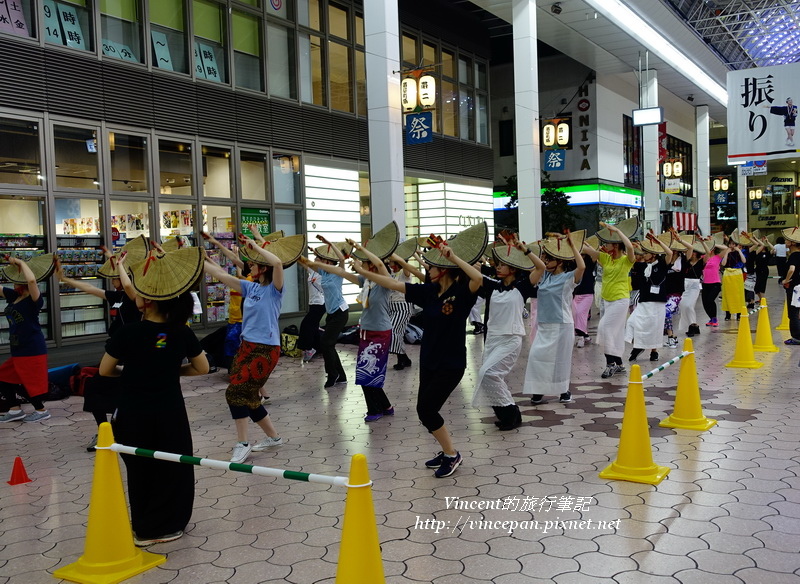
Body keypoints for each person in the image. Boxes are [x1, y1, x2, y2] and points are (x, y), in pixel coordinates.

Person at [98, 247, 209, 547]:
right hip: (169, 411)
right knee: (174, 466)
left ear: (145, 302)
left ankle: (144, 528)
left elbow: (105, 370)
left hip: (133, 412)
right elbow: (202, 368)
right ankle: (171, 523)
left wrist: (135, 372)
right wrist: (171, 370)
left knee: (140, 469)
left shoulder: (128, 334)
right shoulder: (180, 332)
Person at [356, 225, 485, 478]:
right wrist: (363, 271)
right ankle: (446, 450)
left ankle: (452, 454)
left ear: (444, 270)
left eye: (432, 267)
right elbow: (393, 283)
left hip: (451, 363)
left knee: (427, 410)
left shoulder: (461, 292)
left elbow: (478, 279)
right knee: (425, 411)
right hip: (429, 361)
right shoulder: (429, 292)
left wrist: (453, 257)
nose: (428, 269)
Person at [203, 234, 294, 464]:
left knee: (235, 392)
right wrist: (193, 259)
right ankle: (273, 437)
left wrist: (255, 246)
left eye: (252, 263)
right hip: (246, 347)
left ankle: (243, 444)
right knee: (250, 396)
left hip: (266, 349)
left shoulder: (275, 289)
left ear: (262, 268)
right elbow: (220, 275)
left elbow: (278, 263)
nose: (249, 266)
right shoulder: (250, 287)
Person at [57, 248, 141, 450]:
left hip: (130, 354)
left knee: (120, 393)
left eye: (115, 277)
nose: (112, 281)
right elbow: (89, 288)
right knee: (95, 388)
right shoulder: (116, 296)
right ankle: (105, 431)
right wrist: (65, 279)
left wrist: (119, 263)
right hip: (114, 352)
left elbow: (128, 284)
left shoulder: (135, 296)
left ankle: (117, 431)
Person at [472, 236, 540, 430]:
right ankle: (508, 415)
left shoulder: (522, 287)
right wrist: (453, 258)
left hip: (511, 339)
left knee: (489, 372)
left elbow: (541, 268)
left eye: (502, 265)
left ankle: (510, 413)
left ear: (513, 269)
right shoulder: (492, 286)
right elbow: (472, 271)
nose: (498, 267)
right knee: (489, 376)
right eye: (498, 264)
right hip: (493, 338)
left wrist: (525, 250)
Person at [524, 232, 585, 405]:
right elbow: (533, 268)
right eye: (544, 258)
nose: (544, 262)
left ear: (559, 261)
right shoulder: (543, 275)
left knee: (560, 360)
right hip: (543, 324)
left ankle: (564, 390)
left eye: (548, 259)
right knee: (537, 357)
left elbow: (581, 267)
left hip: (562, 325)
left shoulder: (568, 278)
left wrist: (572, 246)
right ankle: (538, 390)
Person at [0, 254, 54, 423]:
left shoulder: (34, 300)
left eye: (17, 278)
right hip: (18, 347)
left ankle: (41, 410)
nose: (14, 281)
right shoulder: (13, 296)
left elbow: (32, 282)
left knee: (28, 382)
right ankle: (15, 410)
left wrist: (21, 262)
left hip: (32, 347)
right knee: (3, 376)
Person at [582, 222, 636, 379]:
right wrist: (571, 241)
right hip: (607, 300)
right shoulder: (606, 258)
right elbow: (587, 250)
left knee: (604, 328)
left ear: (617, 246)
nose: (605, 245)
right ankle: (618, 364)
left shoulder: (626, 260)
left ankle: (610, 364)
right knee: (615, 333)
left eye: (608, 243)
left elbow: (631, 248)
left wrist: (617, 231)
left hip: (620, 300)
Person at [626, 232, 674, 362]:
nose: (643, 255)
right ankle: (638, 346)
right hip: (644, 301)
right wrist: (631, 246)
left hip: (658, 302)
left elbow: (669, 253)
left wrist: (658, 243)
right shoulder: (640, 266)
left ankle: (654, 352)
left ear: (653, 254)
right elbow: (630, 256)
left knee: (655, 327)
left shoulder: (662, 264)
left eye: (646, 253)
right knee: (631, 322)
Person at [312, 235, 350, 388]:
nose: (320, 261)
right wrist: (316, 254)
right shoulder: (324, 273)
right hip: (331, 314)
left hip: (341, 312)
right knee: (329, 344)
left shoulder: (338, 272)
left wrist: (329, 244)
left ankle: (332, 374)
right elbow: (312, 263)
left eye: (323, 260)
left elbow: (341, 258)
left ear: (329, 262)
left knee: (326, 343)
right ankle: (341, 375)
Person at [386, 245, 424, 370]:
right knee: (397, 332)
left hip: (403, 306)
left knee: (394, 331)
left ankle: (402, 357)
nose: (390, 264)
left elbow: (406, 266)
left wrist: (404, 254)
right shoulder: (390, 273)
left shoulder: (405, 272)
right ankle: (403, 358)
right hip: (391, 306)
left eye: (392, 262)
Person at [700, 235, 731, 327]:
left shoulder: (718, 257)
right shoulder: (703, 257)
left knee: (710, 300)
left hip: (715, 283)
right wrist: (703, 242)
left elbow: (726, 248)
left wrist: (714, 243)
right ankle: (711, 318)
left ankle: (714, 318)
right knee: (705, 302)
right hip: (705, 284)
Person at [297, 263, 325, 363]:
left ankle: (309, 349)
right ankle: (319, 348)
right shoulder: (312, 271)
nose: (315, 261)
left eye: (318, 260)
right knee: (314, 327)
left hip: (320, 303)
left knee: (306, 324)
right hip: (312, 303)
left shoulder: (324, 274)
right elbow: (304, 263)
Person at [679, 237, 705, 337]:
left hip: (695, 285)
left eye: (695, 251)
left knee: (689, 305)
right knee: (683, 305)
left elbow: (708, 252)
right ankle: (694, 325)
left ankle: (692, 326)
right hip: (685, 284)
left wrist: (702, 243)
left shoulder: (701, 261)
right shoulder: (686, 262)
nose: (693, 253)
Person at [572, 250, 595, 348]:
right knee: (575, 315)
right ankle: (585, 335)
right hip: (575, 294)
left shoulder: (590, 261)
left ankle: (580, 337)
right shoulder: (573, 263)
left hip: (587, 294)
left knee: (580, 314)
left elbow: (594, 253)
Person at [780, 230, 800, 345]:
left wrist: (786, 280)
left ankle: (796, 337)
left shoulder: (794, 255)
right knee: (797, 312)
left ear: (792, 243)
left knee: (792, 313)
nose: (785, 241)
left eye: (787, 240)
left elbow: (791, 269)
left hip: (794, 288)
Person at [721, 236, 747, 321]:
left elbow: (744, 261)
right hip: (728, 274)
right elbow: (723, 264)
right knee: (727, 294)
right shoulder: (726, 252)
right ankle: (728, 313)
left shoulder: (739, 252)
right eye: (730, 244)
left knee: (738, 294)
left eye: (733, 244)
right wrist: (727, 253)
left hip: (737, 274)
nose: (732, 246)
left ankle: (739, 313)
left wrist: (739, 251)